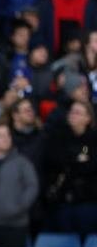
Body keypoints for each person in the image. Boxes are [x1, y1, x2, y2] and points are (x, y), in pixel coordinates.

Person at [42, 100, 97, 238]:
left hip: (88, 202)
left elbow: (90, 164)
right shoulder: (58, 137)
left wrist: (77, 162)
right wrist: (77, 161)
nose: (73, 115)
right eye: (72, 112)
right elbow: (54, 161)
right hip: (62, 201)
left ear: (88, 118)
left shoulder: (92, 140)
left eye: (78, 113)